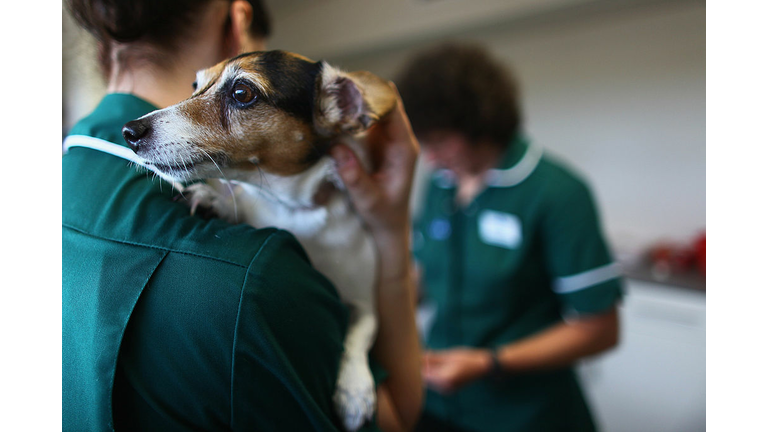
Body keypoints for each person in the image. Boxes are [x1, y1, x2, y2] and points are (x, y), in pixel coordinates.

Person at [62, 1, 422, 430]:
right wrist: (393, 230)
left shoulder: (68, 177)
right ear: (237, 22)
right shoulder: (265, 279)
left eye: (241, 94)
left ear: (105, 43)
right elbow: (399, 417)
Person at [396, 43, 623, 432]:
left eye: (440, 142)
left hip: (525, 412)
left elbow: (600, 329)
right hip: (437, 398)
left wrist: (491, 362)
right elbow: (424, 276)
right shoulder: (440, 185)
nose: (430, 158)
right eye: (423, 143)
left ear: (479, 123)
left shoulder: (556, 193)